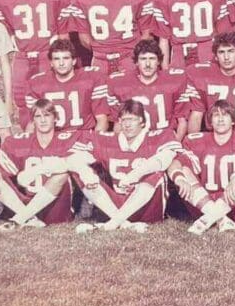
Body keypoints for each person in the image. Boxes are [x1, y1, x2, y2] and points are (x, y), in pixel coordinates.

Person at [75, 98, 183, 232]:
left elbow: (166, 158)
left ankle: (112, 224)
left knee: (156, 175)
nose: (127, 124)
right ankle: (122, 223)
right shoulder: (108, 140)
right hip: (116, 205)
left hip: (147, 208)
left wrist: (135, 174)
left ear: (142, 121)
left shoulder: (158, 136)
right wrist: (85, 172)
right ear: (119, 122)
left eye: (132, 119)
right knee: (79, 172)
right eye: (124, 120)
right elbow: (75, 157)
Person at [0, 0, 72, 116]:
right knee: (22, 102)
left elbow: (64, 33)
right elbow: (1, 27)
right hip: (23, 56)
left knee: (52, 99)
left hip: (46, 55)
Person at [169, 100, 235, 232]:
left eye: (225, 115)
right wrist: (179, 179)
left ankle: (211, 217)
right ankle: (219, 217)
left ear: (233, 120)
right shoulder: (197, 140)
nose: (220, 119)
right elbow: (175, 163)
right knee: (183, 171)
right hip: (203, 204)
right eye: (216, 115)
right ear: (210, 121)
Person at [101, 36, 196, 137]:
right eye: (143, 59)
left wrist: (175, 143)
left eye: (152, 59)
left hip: (164, 139)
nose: (147, 64)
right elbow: (118, 123)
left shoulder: (174, 81)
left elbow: (182, 121)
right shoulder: (121, 84)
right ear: (136, 62)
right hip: (135, 140)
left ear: (159, 61)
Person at [24, 37, 108, 133]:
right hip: (53, 139)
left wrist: (92, 142)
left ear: (74, 61)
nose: (61, 63)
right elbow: (33, 123)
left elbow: (102, 120)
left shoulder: (91, 78)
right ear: (51, 62)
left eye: (66, 58)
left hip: (83, 137)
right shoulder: (37, 83)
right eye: (56, 59)